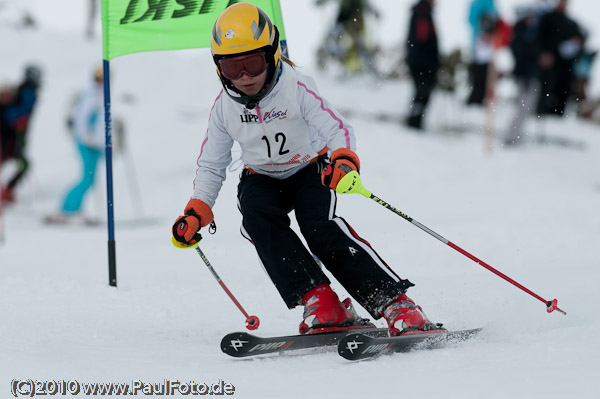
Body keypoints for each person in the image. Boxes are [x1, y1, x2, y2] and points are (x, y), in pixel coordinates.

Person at [172, 3, 444, 336]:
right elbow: (212, 165)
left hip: (309, 168)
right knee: (257, 217)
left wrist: (343, 160)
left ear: (271, 55)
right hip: (261, 177)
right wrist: (198, 209)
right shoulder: (224, 108)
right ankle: (319, 298)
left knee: (319, 227)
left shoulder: (296, 87)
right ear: (219, 69)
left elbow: (337, 129)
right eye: (231, 67)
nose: (243, 76)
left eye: (252, 63)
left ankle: (394, 302)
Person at [46, 67, 105, 224]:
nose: (102, 80)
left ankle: (75, 208)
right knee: (87, 178)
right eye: (99, 77)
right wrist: (89, 137)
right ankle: (66, 209)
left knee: (90, 179)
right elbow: (82, 120)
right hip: (87, 143)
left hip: (95, 144)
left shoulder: (100, 94)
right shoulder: (90, 94)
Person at [0, 64, 42, 203]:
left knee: (21, 163)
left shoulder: (24, 90)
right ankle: (6, 191)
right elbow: (18, 114)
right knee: (20, 163)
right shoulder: (27, 90)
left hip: (15, 136)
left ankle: (7, 190)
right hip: (11, 137)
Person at [503, 6, 543, 146]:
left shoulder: (533, 34)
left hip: (530, 76)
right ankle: (511, 136)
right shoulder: (520, 35)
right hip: (524, 77)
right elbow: (522, 57)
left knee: (527, 108)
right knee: (523, 107)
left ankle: (516, 135)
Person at [536, 0, 583, 117]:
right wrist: (543, 54)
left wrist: (575, 45)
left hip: (564, 69)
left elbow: (579, 44)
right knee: (543, 96)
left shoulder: (572, 24)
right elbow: (539, 39)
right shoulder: (547, 19)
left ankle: (557, 119)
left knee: (561, 98)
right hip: (547, 67)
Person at [405, 0, 439, 130]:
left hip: (419, 60)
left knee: (421, 93)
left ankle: (415, 121)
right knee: (422, 94)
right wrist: (432, 60)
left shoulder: (421, 11)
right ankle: (414, 123)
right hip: (423, 63)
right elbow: (422, 38)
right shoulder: (423, 12)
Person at [466, 0, 498, 106]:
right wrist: (483, 31)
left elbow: (496, 20)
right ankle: (476, 99)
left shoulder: (491, 3)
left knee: (486, 72)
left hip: (490, 43)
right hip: (480, 41)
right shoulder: (478, 3)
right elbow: (472, 20)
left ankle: (484, 97)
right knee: (479, 72)